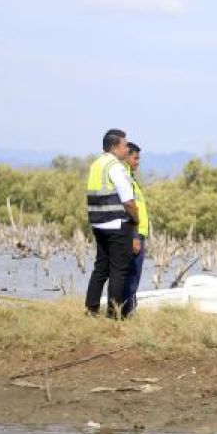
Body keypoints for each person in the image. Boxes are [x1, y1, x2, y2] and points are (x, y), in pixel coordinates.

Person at [84, 129, 139, 318]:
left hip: (98, 225)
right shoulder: (115, 166)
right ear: (115, 147)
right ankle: (113, 315)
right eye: (125, 145)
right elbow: (128, 201)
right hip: (117, 224)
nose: (127, 148)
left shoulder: (96, 164)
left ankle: (91, 309)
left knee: (101, 268)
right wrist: (136, 219)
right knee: (118, 271)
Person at [121, 142, 150, 315]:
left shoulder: (130, 177)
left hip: (139, 232)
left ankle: (126, 310)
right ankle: (126, 312)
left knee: (133, 274)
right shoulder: (124, 177)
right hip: (134, 233)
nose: (138, 161)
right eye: (135, 157)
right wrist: (135, 236)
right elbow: (128, 208)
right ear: (126, 156)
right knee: (131, 274)